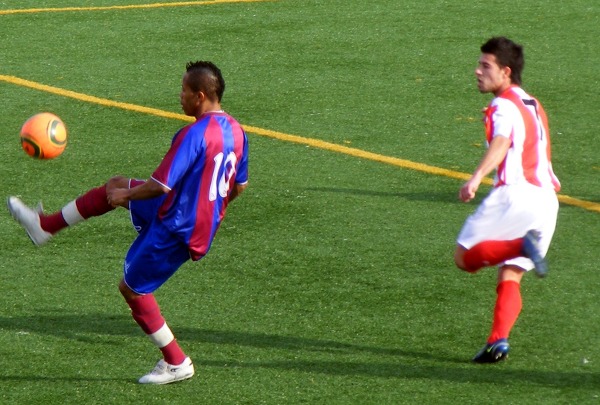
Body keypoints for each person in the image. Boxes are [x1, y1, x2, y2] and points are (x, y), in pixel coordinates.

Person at [7, 61, 249, 384]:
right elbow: (239, 185)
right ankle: (45, 227)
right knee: (114, 185)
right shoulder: (236, 131)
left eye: (184, 90)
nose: (179, 96)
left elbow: (160, 185)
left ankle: (177, 362)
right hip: (182, 209)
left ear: (200, 95)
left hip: (179, 227)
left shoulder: (194, 134)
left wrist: (129, 196)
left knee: (132, 289)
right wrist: (214, 207)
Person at [454, 37, 560, 363]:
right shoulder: (532, 103)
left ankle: (519, 244)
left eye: (486, 66)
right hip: (546, 201)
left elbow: (502, 141)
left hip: (515, 193)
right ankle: (497, 341)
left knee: (464, 257)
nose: (477, 71)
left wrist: (476, 177)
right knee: (511, 275)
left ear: (506, 71)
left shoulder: (503, 105)